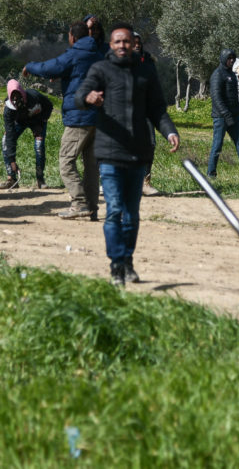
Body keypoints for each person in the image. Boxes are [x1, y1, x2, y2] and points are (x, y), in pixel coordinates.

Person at [75, 23, 179, 287]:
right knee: (114, 211)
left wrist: (169, 131)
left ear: (134, 44)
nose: (122, 45)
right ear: (111, 45)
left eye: (126, 41)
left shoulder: (146, 71)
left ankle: (128, 262)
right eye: (116, 42)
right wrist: (89, 98)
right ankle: (116, 264)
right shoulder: (100, 69)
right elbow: (79, 95)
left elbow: (157, 109)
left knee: (132, 215)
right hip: (110, 153)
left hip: (138, 154)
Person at [23, 21, 101, 219]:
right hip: (98, 117)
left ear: (72, 37)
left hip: (78, 116)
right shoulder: (99, 53)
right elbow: (77, 74)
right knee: (91, 166)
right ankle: (91, 207)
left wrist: (29, 66)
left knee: (66, 161)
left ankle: (79, 203)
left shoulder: (74, 54)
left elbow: (49, 67)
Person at [206, 49, 239, 181]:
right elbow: (216, 98)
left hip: (234, 117)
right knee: (217, 146)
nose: (232, 60)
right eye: (229, 58)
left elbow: (235, 98)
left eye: (233, 58)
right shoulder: (217, 75)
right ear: (223, 58)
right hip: (221, 118)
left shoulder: (232, 75)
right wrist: (226, 115)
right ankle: (211, 174)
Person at [0, 79, 53, 190]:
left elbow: (49, 106)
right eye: (12, 96)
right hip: (20, 122)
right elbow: (10, 134)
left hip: (38, 120)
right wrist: (12, 160)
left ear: (22, 92)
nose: (15, 99)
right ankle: (12, 178)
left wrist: (42, 122)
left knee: (39, 146)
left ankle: (40, 179)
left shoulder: (34, 97)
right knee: (5, 140)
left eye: (17, 94)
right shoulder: (9, 110)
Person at [133, 31, 160, 197]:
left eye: (139, 42)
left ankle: (145, 182)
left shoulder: (149, 62)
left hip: (147, 110)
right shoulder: (116, 62)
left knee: (150, 144)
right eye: (133, 42)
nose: (136, 45)